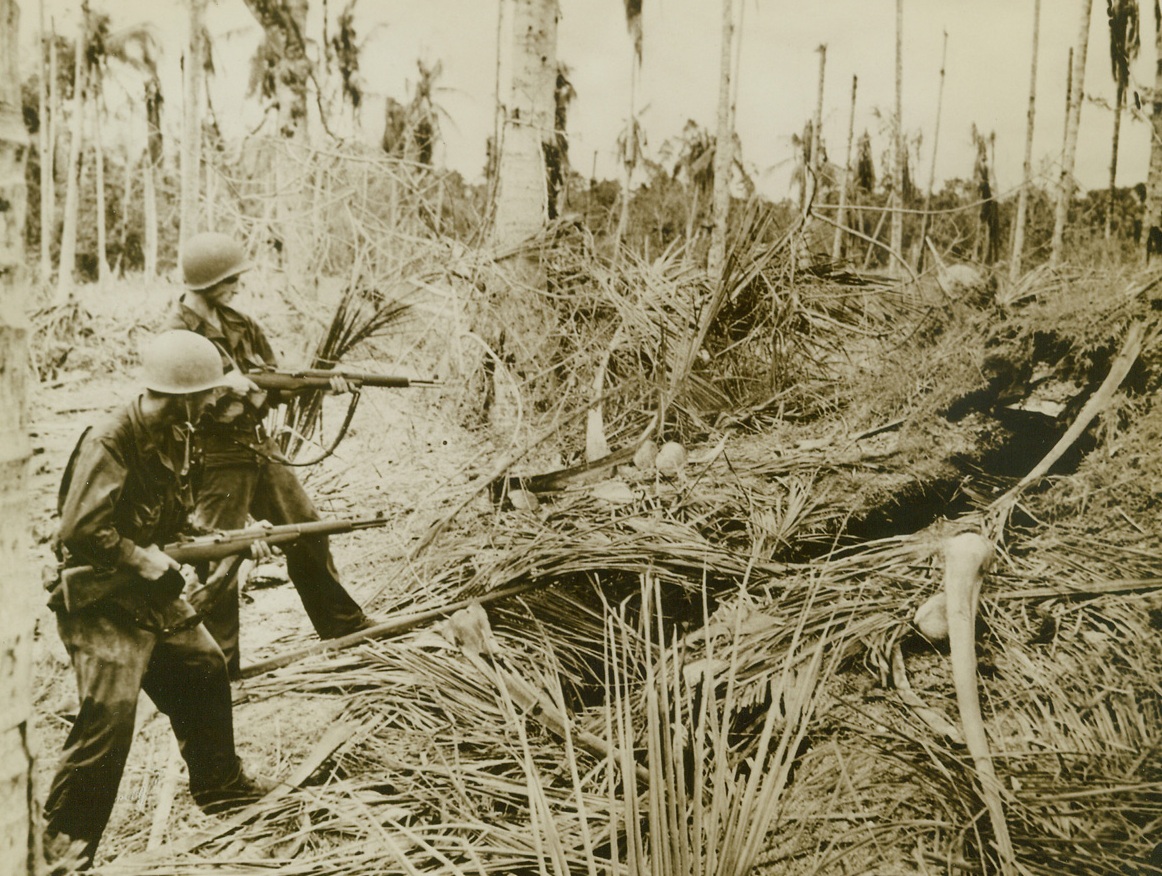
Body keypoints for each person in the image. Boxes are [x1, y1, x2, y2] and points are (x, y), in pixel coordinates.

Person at [43, 330, 274, 874]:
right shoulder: (110, 439)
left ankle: (221, 790)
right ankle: (59, 855)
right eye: (210, 393)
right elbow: (81, 532)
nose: (218, 400)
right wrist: (138, 557)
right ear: (185, 395)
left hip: (149, 592)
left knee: (203, 665)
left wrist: (237, 534)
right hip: (98, 597)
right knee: (111, 718)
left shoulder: (180, 433)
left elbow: (177, 518)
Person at [165, 231, 374, 677]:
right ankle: (219, 665)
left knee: (309, 528)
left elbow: (277, 382)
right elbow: (174, 398)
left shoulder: (241, 324)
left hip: (259, 447)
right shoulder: (175, 334)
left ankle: (342, 626)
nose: (238, 286)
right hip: (213, 456)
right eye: (230, 279)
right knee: (221, 555)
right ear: (205, 281)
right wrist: (225, 385)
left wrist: (321, 382)